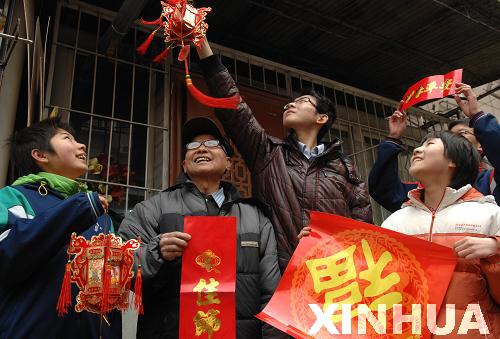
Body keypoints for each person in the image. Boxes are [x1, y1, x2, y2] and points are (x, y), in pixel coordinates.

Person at [196, 39, 372, 272]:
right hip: (277, 281)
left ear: (322, 118)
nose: (290, 104)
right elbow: (235, 111)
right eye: (291, 101)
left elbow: (363, 230)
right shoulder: (268, 152)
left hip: (334, 281)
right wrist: (202, 47)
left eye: (302, 101)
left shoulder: (344, 168)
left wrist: (332, 245)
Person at [118, 117, 284, 338]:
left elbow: (271, 294)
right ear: (184, 165)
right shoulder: (153, 209)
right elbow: (118, 265)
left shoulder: (255, 217)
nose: (202, 148)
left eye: (212, 143)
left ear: (228, 163)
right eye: (193, 146)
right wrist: (155, 253)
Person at [0, 116, 120, 338]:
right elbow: (6, 258)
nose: (82, 145)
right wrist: (77, 209)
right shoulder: (13, 197)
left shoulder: (100, 217)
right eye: (68, 138)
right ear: (40, 155)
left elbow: (110, 290)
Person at [380, 131, 500, 337]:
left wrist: (496, 248)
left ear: (453, 160)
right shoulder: (394, 222)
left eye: (429, 144)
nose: (417, 149)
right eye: (419, 145)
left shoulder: (489, 213)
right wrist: (320, 246)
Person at [369, 82, 500, 212]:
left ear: (481, 145)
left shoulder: (489, 185)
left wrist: (477, 115)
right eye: (448, 136)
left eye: (462, 133)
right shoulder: (417, 196)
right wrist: (393, 138)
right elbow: (385, 190)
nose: (417, 149)